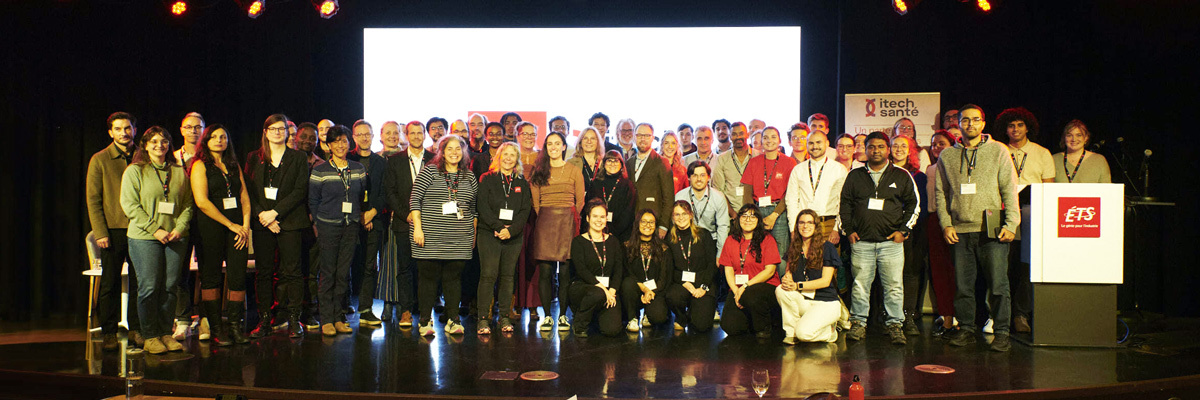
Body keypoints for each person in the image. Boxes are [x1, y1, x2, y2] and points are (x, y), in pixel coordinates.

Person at [934, 104, 1019, 352]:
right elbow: (941, 193)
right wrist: (946, 224)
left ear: (983, 123)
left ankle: (1003, 332)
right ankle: (967, 329)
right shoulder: (947, 155)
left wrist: (1011, 223)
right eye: (965, 120)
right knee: (963, 286)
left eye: (975, 120)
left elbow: (1009, 189)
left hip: (992, 229)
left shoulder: (998, 150)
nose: (970, 124)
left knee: (998, 285)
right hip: (960, 230)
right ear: (958, 124)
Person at [839, 131, 920, 345]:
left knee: (894, 286)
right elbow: (845, 204)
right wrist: (848, 230)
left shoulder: (901, 175)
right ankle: (858, 324)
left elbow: (914, 204)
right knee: (860, 286)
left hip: (890, 244)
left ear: (888, 149)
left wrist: (903, 231)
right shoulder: (855, 175)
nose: (876, 151)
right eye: (872, 147)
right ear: (865, 150)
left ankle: (894, 325)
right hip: (862, 242)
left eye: (881, 147)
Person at [120, 126, 194, 354]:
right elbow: (130, 205)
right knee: (150, 287)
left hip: (175, 238)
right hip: (144, 237)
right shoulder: (135, 171)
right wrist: (155, 230)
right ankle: (150, 335)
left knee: (170, 286)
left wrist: (180, 228)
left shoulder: (179, 171)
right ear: (145, 145)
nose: (159, 146)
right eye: (153, 142)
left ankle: (165, 332)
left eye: (163, 141)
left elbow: (188, 205)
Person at [244, 114, 311, 339]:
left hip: (290, 222)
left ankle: (294, 319)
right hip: (263, 222)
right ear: (265, 132)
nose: (277, 132)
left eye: (281, 129)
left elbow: (300, 190)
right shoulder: (254, 157)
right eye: (272, 129)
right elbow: (249, 191)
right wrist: (263, 215)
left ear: (287, 132)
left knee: (292, 271)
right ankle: (264, 319)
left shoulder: (298, 157)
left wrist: (275, 213)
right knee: (263, 272)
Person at [188, 124, 252, 345]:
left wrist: (244, 226)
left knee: (237, 276)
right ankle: (216, 329)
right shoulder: (199, 165)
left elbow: (244, 197)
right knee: (212, 277)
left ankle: (235, 327)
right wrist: (231, 225)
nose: (219, 140)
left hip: (237, 229)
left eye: (223, 137)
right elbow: (202, 202)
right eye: (214, 137)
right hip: (210, 228)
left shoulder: (233, 165)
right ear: (206, 141)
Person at [410, 135, 478, 337]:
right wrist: (418, 228)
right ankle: (424, 321)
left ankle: (453, 319)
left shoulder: (469, 176)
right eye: (450, 149)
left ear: (464, 152)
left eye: (458, 149)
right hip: (430, 236)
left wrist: (472, 234)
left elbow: (473, 209)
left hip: (459, 238)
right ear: (442, 151)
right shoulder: (430, 171)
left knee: (453, 280)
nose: (454, 152)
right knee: (428, 280)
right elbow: (415, 200)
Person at [995, 107, 1052, 334]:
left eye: (1020, 125)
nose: (1015, 129)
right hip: (1002, 212)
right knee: (1001, 265)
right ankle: (998, 314)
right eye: (1011, 125)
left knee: (1026, 265)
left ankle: (1021, 313)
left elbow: (1049, 188)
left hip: (1031, 213)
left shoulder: (1042, 153)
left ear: (1028, 127)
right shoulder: (997, 151)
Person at [88, 112, 143, 351]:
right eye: (118, 129)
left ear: (134, 130)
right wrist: (100, 232)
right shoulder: (100, 159)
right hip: (112, 229)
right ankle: (109, 330)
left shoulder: (143, 155)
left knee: (141, 282)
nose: (124, 133)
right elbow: (93, 199)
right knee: (110, 282)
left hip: (141, 228)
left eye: (127, 128)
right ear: (111, 132)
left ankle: (138, 329)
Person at [309, 125, 367, 337]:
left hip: (350, 226)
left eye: (344, 141)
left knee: (343, 274)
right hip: (327, 227)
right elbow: (313, 201)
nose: (341, 145)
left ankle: (339, 317)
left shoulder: (358, 168)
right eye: (336, 141)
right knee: (328, 273)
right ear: (328, 145)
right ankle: (326, 319)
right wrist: (320, 222)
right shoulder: (320, 170)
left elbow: (361, 196)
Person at [529, 132, 587, 332]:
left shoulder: (573, 171)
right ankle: (547, 316)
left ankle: (562, 315)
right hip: (545, 221)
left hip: (567, 221)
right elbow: (536, 204)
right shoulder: (539, 171)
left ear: (564, 147)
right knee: (545, 271)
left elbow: (580, 201)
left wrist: (568, 217)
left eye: (557, 143)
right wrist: (548, 216)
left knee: (564, 273)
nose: (553, 147)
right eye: (549, 144)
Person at [381, 121, 434, 327]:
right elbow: (390, 193)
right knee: (405, 268)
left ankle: (424, 311)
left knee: (425, 269)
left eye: (420, 133)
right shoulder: (394, 161)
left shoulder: (434, 160)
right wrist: (408, 215)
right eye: (412, 133)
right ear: (406, 135)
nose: (416, 136)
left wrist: (423, 216)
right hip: (404, 222)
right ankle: (405, 311)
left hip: (429, 223)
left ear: (424, 135)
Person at [475, 142, 532, 335]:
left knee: (508, 277)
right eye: (505, 154)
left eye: (512, 155)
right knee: (488, 275)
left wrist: (511, 230)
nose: (508, 158)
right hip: (489, 233)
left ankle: (505, 316)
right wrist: (499, 227)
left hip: (513, 236)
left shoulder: (521, 182)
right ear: (498, 157)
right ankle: (484, 318)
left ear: (517, 159)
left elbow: (525, 210)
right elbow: (482, 206)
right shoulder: (487, 178)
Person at [776, 209, 845, 344]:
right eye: (801, 223)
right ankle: (791, 333)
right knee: (781, 289)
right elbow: (788, 273)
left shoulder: (827, 247)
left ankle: (830, 331)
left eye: (809, 223)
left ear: (816, 226)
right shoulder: (794, 247)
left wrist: (797, 285)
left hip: (826, 303)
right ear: (797, 226)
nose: (805, 226)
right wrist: (786, 279)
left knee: (805, 334)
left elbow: (825, 281)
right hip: (806, 300)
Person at [718, 204, 782, 338]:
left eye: (753, 216)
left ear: (759, 220)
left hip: (765, 287)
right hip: (739, 289)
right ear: (738, 219)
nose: (748, 220)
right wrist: (736, 291)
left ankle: (764, 327)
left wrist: (746, 286)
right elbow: (728, 270)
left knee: (750, 295)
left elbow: (770, 271)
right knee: (730, 326)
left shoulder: (767, 239)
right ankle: (752, 320)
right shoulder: (731, 240)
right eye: (744, 216)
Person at [740, 127, 796, 277]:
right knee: (757, 252)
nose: (769, 140)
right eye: (765, 137)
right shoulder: (754, 162)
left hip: (779, 212)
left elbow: (790, 194)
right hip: (757, 211)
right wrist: (752, 215)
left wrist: (774, 215)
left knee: (780, 254)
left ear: (780, 140)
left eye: (773, 137)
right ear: (761, 141)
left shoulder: (789, 162)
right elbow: (747, 192)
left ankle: (783, 291)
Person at [348, 120, 388, 327]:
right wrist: (360, 214)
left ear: (373, 136)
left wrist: (371, 212)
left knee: (369, 266)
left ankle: (365, 309)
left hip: (374, 220)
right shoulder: (347, 159)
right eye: (360, 134)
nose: (364, 137)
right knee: (344, 265)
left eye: (368, 134)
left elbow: (384, 192)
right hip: (349, 221)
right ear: (353, 137)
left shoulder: (381, 162)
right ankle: (340, 309)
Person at [568, 199, 626, 338]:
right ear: (588, 218)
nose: (599, 220)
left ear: (606, 219)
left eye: (602, 217)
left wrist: (611, 291)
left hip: (607, 291)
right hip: (584, 288)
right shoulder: (578, 242)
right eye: (595, 216)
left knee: (612, 330)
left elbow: (618, 269)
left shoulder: (613, 241)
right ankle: (580, 323)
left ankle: (595, 317)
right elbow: (582, 271)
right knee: (597, 293)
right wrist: (603, 289)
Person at [892, 135, 930, 336]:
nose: (899, 149)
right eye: (895, 145)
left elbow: (920, 207)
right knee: (887, 276)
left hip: (912, 232)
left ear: (910, 151)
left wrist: (906, 227)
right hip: (887, 231)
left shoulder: (919, 176)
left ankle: (908, 315)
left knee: (910, 273)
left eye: (903, 146)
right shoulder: (883, 173)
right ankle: (888, 316)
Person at [172, 112, 204, 341]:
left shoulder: (210, 156)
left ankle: (205, 319)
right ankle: (182, 320)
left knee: (207, 272)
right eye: (189, 127)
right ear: (182, 130)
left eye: (198, 127)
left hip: (205, 220)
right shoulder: (172, 157)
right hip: (180, 221)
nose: (193, 131)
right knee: (179, 272)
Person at [924, 129, 959, 336]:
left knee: (957, 270)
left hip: (956, 222)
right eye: (934, 144)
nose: (937, 147)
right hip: (934, 222)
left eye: (942, 143)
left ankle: (959, 316)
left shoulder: (958, 167)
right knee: (939, 271)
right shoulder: (930, 169)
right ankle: (946, 316)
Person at [664, 201, 718, 332]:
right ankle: (681, 317)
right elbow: (669, 269)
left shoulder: (704, 235)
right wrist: (685, 282)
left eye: (684, 213)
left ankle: (694, 312)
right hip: (682, 283)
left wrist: (704, 287)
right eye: (677, 214)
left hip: (704, 283)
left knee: (701, 326)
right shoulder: (669, 239)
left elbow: (712, 265)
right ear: (672, 217)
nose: (681, 217)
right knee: (672, 296)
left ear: (691, 215)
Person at [785, 130, 847, 241]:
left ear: (827, 144)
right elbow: (791, 200)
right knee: (805, 258)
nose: (815, 146)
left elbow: (843, 201)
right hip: (804, 225)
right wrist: (793, 228)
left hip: (828, 224)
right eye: (811, 143)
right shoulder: (798, 169)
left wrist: (836, 228)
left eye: (819, 142)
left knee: (828, 258)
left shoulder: (839, 169)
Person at [622, 209, 673, 332]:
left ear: (656, 225)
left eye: (651, 222)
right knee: (627, 284)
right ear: (637, 224)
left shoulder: (664, 247)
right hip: (634, 291)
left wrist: (650, 292)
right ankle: (632, 318)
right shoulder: (627, 246)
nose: (647, 225)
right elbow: (626, 273)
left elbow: (665, 277)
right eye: (644, 222)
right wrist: (643, 289)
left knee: (659, 317)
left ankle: (648, 315)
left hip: (655, 292)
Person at [626, 123, 675, 239]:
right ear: (634, 137)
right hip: (632, 225)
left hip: (654, 224)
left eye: (647, 135)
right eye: (639, 135)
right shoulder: (629, 163)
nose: (643, 139)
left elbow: (668, 198)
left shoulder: (662, 163)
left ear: (653, 138)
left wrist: (663, 225)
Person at [674, 161, 731, 254]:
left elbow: (723, 227)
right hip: (687, 240)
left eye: (702, 175)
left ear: (708, 177)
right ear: (689, 178)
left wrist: (720, 253)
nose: (698, 179)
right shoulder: (680, 196)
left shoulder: (718, 197)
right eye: (695, 175)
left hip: (711, 241)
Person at [587, 150, 637, 240]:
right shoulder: (596, 183)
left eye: (616, 161)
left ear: (621, 164)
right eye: (609, 160)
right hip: (595, 231)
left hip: (619, 235)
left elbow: (628, 213)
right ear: (604, 163)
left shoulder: (627, 185)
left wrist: (613, 231)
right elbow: (588, 208)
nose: (612, 164)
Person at [712, 122, 752, 215]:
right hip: (730, 214)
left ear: (748, 135)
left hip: (755, 213)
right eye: (734, 134)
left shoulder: (758, 156)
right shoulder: (722, 158)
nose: (738, 137)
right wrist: (733, 214)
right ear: (730, 137)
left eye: (741, 133)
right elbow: (719, 190)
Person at [568, 126, 605, 195]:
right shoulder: (571, 163)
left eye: (593, 138)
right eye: (585, 138)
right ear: (580, 142)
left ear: (598, 142)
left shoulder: (605, 162)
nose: (589, 141)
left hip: (601, 204)